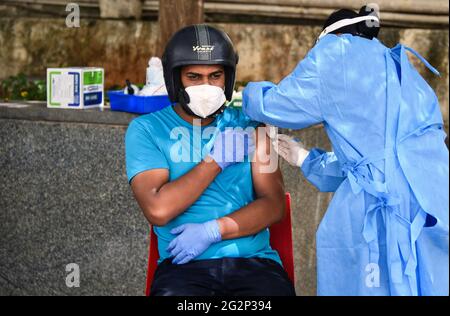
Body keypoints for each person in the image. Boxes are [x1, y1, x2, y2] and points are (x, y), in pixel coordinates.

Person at [242, 6, 449, 296]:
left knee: (371, 283)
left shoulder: (334, 54)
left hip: (382, 205)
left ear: (329, 36)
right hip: (433, 197)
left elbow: (274, 106)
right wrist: (307, 159)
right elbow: (378, 160)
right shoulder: (400, 67)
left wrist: (245, 94)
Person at [125, 24, 295, 296]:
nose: (206, 86)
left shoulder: (253, 125)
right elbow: (157, 209)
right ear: (175, 79)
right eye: (193, 76)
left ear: (227, 79)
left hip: (254, 264)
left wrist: (213, 231)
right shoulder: (147, 130)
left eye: (215, 76)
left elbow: (274, 205)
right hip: (184, 267)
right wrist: (215, 161)